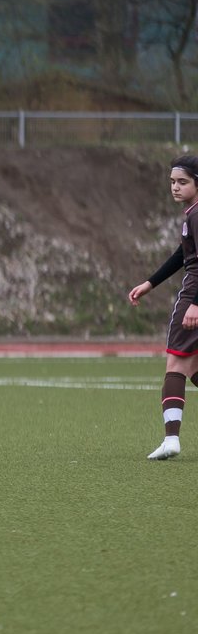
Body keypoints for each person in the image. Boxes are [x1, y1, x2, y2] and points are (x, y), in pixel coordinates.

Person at [128, 154, 198, 460]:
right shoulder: (192, 215)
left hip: (193, 296)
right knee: (194, 367)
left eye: (182, 182)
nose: (175, 187)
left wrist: (195, 304)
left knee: (176, 365)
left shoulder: (197, 215)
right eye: (172, 181)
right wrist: (150, 283)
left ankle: (171, 440)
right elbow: (181, 255)